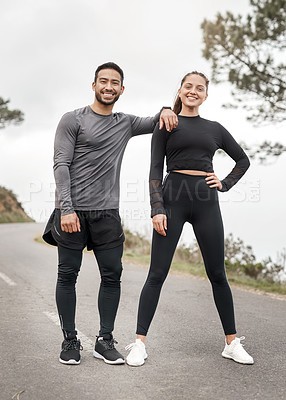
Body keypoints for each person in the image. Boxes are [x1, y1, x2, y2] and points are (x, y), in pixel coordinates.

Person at [43, 62, 178, 365]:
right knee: (67, 275)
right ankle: (70, 339)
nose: (108, 87)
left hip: (107, 214)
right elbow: (60, 165)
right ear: (94, 85)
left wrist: (169, 107)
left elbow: (158, 120)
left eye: (114, 82)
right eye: (103, 81)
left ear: (121, 89)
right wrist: (66, 208)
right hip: (72, 213)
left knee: (113, 275)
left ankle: (104, 340)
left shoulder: (125, 123)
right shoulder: (72, 119)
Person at [125, 71, 254, 366]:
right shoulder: (167, 123)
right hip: (172, 199)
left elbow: (242, 160)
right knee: (157, 273)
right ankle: (139, 343)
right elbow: (155, 169)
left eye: (200, 88)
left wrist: (224, 182)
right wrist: (156, 208)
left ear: (206, 95)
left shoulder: (215, 128)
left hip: (207, 201)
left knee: (217, 274)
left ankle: (231, 343)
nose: (193, 91)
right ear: (181, 91)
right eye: (188, 86)